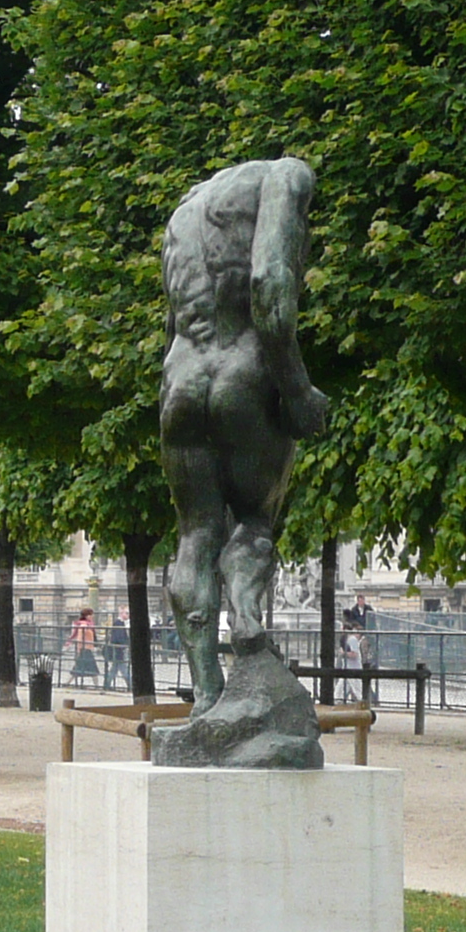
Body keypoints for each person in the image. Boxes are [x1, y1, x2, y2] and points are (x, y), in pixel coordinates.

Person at [158, 154, 331, 719]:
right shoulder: (287, 176)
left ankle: (206, 694)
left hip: (180, 380)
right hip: (245, 371)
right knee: (256, 517)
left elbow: (171, 325)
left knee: (196, 533)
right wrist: (299, 391)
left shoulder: (183, 211)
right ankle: (248, 615)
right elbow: (269, 285)